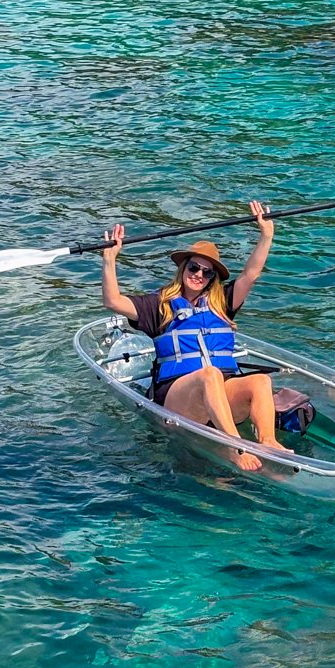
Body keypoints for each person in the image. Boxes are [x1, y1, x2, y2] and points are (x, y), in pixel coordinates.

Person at [100, 201, 283, 472]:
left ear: (212, 279)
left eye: (207, 272)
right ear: (183, 268)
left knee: (260, 381)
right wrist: (109, 260)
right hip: (178, 400)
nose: (199, 275)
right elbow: (113, 301)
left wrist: (266, 234)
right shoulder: (159, 305)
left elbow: (251, 274)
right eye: (194, 268)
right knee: (210, 374)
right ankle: (235, 447)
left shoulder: (223, 303)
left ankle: (268, 441)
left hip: (221, 394)